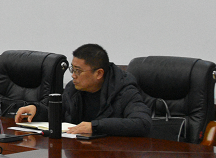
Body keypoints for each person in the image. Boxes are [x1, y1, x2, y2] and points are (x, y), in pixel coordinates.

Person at [14, 43, 151, 136]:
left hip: (113, 157)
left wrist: (94, 126)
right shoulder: (74, 88)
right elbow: (60, 112)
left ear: (99, 74)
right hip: (81, 151)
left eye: (78, 71)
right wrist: (36, 110)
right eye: (72, 69)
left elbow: (142, 123)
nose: (73, 75)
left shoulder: (124, 90)